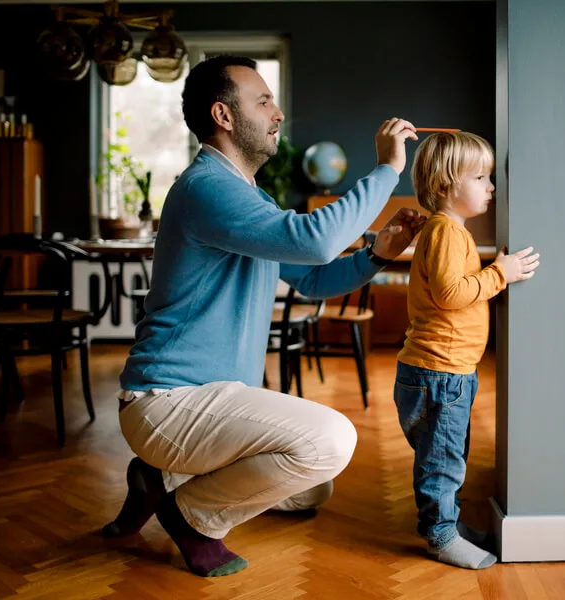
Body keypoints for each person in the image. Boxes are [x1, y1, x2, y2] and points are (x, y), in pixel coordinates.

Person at [103, 55, 426, 578]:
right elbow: (317, 241)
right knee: (331, 441)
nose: (278, 113)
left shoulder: (249, 196)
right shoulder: (207, 186)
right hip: (169, 400)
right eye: (263, 101)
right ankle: (192, 517)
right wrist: (388, 169)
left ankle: (156, 478)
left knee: (311, 487)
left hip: (215, 402)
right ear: (224, 116)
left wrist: (377, 255)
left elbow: (313, 279)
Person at [393, 132, 540, 570]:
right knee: (442, 461)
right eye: (480, 177)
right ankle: (440, 536)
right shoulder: (446, 232)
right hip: (439, 374)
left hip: (444, 371)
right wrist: (501, 273)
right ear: (444, 185)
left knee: (447, 455)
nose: (491, 186)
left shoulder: (449, 232)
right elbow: (451, 294)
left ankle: (447, 524)